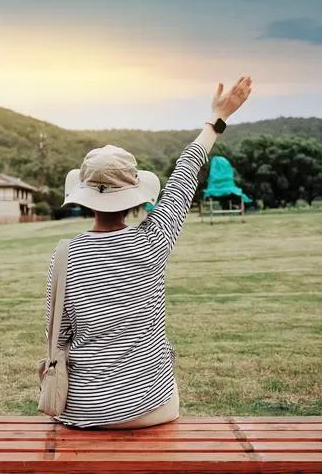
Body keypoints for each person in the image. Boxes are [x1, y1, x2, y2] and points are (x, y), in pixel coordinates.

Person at [44, 77, 253, 429]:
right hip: (149, 408)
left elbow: (57, 336)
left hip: (82, 411)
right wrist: (217, 118)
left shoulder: (64, 254)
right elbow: (185, 174)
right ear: (134, 199)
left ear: (84, 198)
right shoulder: (153, 242)